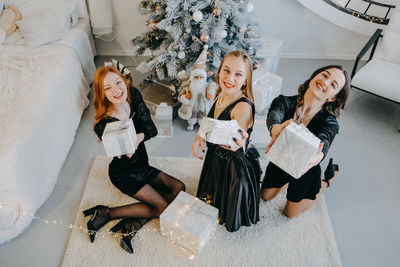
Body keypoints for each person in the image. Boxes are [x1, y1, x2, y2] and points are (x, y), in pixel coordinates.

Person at [84, 66, 185, 253]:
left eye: (118, 82)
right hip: (125, 174)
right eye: (108, 88)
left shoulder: (133, 95)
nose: (116, 90)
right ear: (101, 93)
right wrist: (125, 145)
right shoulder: (104, 124)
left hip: (142, 166)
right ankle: (107, 213)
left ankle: (135, 220)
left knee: (179, 187)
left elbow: (151, 129)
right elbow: (122, 151)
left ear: (124, 81)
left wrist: (137, 137)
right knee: (162, 207)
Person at [261, 65, 350, 218]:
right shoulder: (284, 101)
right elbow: (275, 114)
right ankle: (286, 182)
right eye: (325, 75)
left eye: (333, 84)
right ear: (315, 76)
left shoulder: (330, 122)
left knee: (290, 214)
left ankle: (325, 182)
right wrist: (276, 129)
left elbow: (325, 140)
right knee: (265, 196)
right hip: (280, 160)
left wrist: (318, 156)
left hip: (305, 170)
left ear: (332, 98)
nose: (325, 82)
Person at [192, 50, 262, 232]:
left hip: (232, 164)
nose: (230, 78)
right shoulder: (221, 94)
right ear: (219, 71)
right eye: (226, 70)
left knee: (224, 204)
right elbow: (210, 120)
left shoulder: (242, 107)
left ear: (246, 80)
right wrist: (200, 136)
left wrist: (240, 141)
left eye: (238, 74)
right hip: (216, 156)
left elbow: (237, 137)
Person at [178, 45, 217, 131]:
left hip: (203, 106)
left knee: (202, 116)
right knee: (192, 115)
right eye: (196, 77)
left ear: (204, 77)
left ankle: (201, 125)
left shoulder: (207, 85)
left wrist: (211, 92)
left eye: (201, 77)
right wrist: (185, 97)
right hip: (192, 106)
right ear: (192, 77)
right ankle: (191, 124)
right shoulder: (188, 86)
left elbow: (211, 95)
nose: (198, 79)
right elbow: (181, 96)